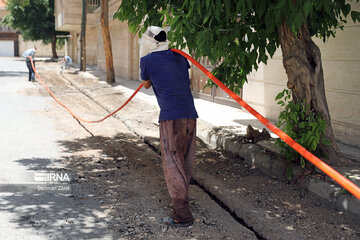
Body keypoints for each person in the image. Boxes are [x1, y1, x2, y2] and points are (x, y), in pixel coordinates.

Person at [139, 26, 198, 227]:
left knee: (172, 163)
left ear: (149, 42)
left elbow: (146, 84)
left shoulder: (146, 61)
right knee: (185, 158)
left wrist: (145, 60)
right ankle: (182, 202)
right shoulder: (180, 57)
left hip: (171, 119)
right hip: (190, 115)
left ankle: (182, 214)